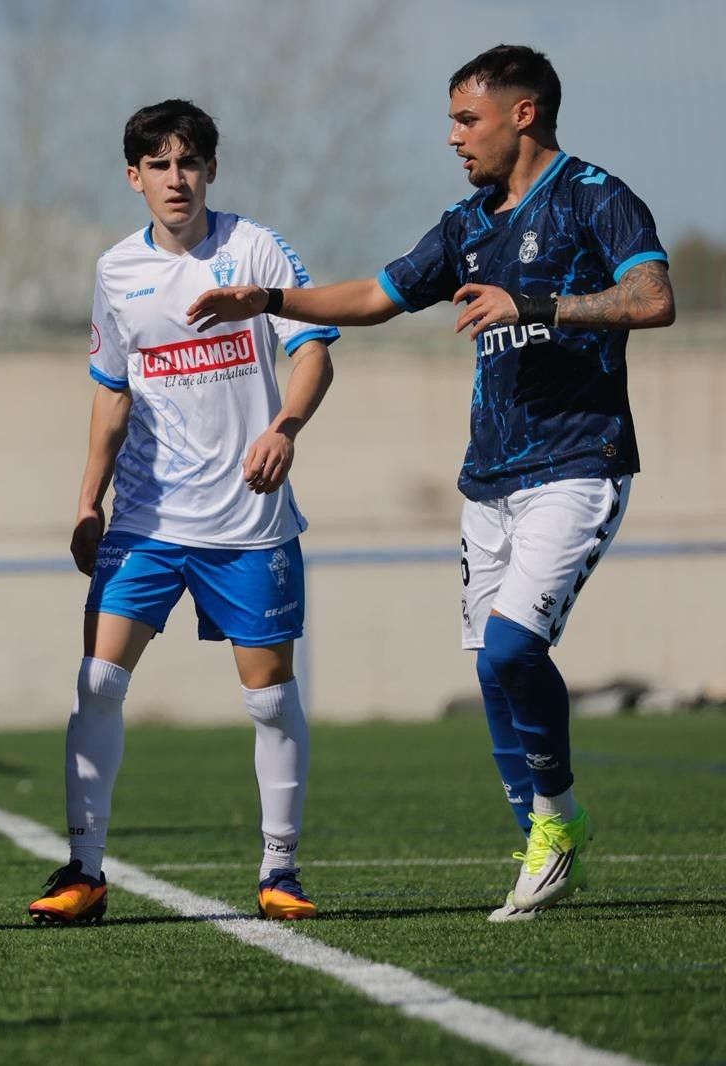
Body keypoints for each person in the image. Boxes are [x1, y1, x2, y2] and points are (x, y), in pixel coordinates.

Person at [187, 45, 674, 922]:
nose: (452, 137)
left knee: (512, 650)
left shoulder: (595, 195)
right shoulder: (468, 223)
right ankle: (541, 842)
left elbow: (651, 298)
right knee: (492, 671)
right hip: (488, 478)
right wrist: (267, 300)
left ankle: (557, 821)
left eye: (466, 119)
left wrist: (537, 307)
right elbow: (375, 296)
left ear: (522, 114)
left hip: (578, 460)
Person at [28, 100, 338, 927]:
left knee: (270, 697)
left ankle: (281, 868)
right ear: (134, 177)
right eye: (159, 165)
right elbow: (110, 393)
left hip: (248, 522)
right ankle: (84, 870)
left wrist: (284, 429)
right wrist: (89, 501)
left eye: (189, 161)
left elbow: (313, 355)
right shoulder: (115, 270)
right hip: (147, 522)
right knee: (97, 681)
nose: (177, 178)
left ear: (210, 169)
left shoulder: (254, 249)